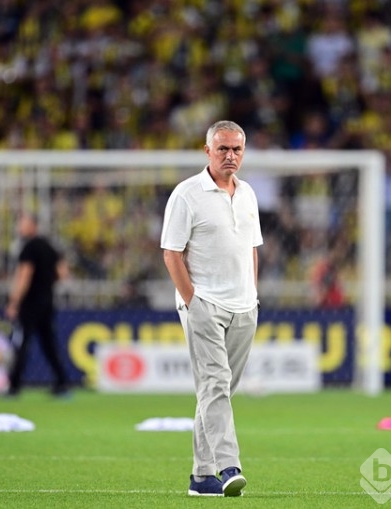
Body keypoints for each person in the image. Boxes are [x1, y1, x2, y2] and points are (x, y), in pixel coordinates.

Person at [161, 120, 262, 497]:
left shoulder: (248, 194)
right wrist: (193, 302)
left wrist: (252, 295)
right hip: (205, 304)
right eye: (223, 149)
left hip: (244, 306)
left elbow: (251, 247)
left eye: (237, 149)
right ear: (207, 151)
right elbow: (171, 253)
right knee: (216, 385)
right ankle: (228, 466)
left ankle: (201, 478)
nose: (230, 155)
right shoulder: (187, 194)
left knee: (216, 391)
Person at [4, 213, 70, 397]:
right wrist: (46, 283)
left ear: (32, 226)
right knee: (49, 345)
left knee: (22, 343)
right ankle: (62, 383)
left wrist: (14, 302)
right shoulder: (49, 246)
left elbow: (24, 277)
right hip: (47, 302)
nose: (19, 228)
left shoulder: (29, 248)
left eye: (22, 224)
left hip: (30, 303)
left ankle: (14, 386)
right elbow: (63, 273)